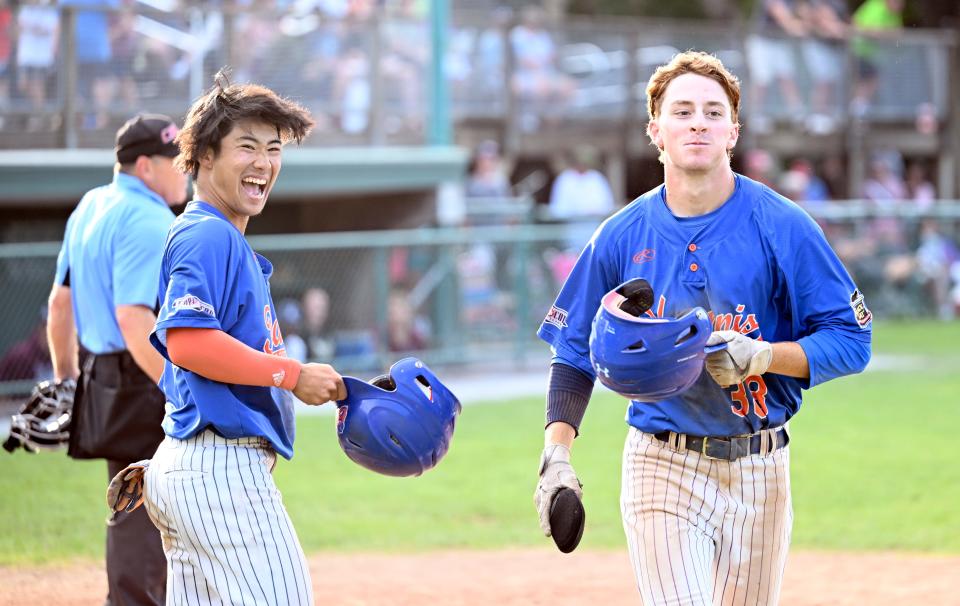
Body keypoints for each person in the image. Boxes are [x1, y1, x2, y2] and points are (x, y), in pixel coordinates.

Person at [533, 51, 871, 605]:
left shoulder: (782, 227)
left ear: (733, 131)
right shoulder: (621, 236)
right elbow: (573, 353)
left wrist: (764, 356)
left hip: (763, 469)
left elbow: (852, 342)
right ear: (656, 131)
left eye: (714, 113)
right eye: (682, 110)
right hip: (661, 461)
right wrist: (557, 456)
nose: (698, 122)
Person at [140, 72, 346, 605]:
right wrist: (292, 374)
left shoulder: (221, 235)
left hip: (191, 467)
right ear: (205, 155)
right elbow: (187, 342)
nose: (264, 163)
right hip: (220, 473)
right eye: (247, 146)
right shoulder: (207, 232)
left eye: (274, 149)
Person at [47, 113, 187, 605]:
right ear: (146, 166)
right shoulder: (151, 219)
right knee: (157, 506)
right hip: (142, 376)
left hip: (101, 373)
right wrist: (180, 386)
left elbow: (59, 305)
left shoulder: (90, 204)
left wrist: (67, 381)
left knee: (131, 500)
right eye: (176, 160)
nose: (185, 169)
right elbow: (134, 319)